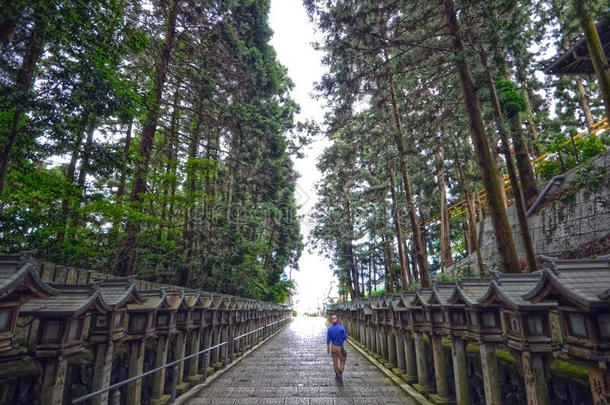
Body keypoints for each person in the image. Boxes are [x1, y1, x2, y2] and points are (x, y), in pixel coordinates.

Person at [327, 315, 348, 383]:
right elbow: (345, 337)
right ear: (337, 320)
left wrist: (328, 348)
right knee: (343, 360)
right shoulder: (342, 328)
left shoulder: (330, 329)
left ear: (332, 321)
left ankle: (337, 374)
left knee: (335, 361)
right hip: (340, 346)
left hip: (333, 346)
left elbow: (328, 340)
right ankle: (340, 372)